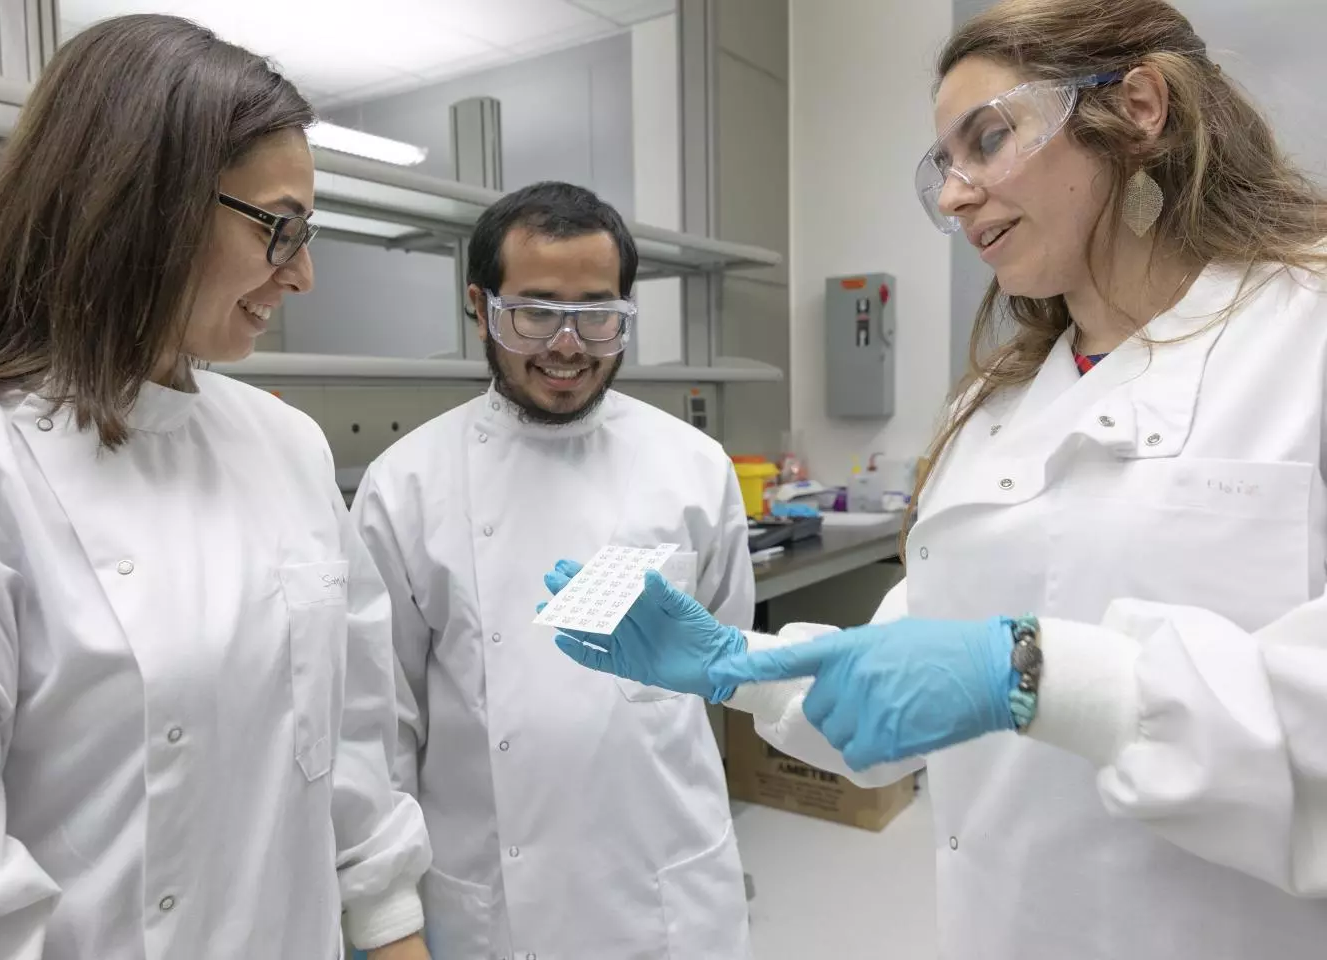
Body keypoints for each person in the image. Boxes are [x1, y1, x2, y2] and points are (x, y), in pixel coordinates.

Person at [544, 0, 1327, 956]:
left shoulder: (1304, 333)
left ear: (1138, 106)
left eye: (988, 139)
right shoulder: (997, 411)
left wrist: (1040, 677)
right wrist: (736, 669)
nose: (954, 196)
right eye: (944, 165)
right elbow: (906, 679)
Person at [0, 15, 431, 960]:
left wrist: (392, 934)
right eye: (281, 228)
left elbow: (350, 754)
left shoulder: (286, 447)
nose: (301, 274)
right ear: (145, 203)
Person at [352, 181, 756, 959]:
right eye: (533, 312)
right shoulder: (406, 485)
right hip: (494, 904)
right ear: (479, 306)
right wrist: (385, 918)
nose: (568, 346)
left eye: (598, 314)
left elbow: (728, 671)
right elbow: (379, 730)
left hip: (666, 894)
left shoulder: (694, 470)